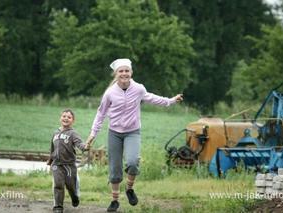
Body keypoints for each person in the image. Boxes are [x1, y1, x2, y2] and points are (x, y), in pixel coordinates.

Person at [86, 58, 183, 212]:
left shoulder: (138, 89)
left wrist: (171, 101)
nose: (124, 73)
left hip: (132, 132)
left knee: (132, 162)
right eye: (121, 71)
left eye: (127, 71)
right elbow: (100, 114)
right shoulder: (110, 93)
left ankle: (129, 189)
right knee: (115, 168)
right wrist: (93, 134)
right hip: (115, 133)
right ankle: (115, 201)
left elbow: (153, 98)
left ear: (131, 73)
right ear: (116, 74)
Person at [47, 109, 89, 213]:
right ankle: (58, 206)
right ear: (60, 118)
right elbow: (52, 148)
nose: (66, 118)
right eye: (64, 116)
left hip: (69, 165)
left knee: (71, 186)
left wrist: (85, 147)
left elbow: (80, 144)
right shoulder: (55, 133)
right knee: (58, 185)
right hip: (57, 164)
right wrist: (50, 159)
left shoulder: (73, 133)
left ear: (73, 120)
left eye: (69, 117)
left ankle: (74, 197)